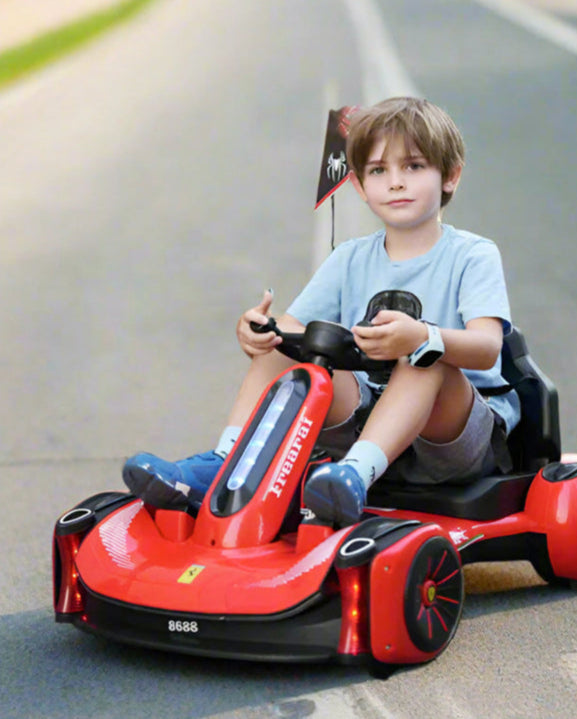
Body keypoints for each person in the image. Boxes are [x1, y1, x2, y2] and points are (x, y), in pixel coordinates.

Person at [123, 96, 521, 526]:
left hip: (452, 436)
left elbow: (487, 348)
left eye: (414, 167)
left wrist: (423, 337)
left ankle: (353, 477)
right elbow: (293, 330)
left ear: (451, 176)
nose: (396, 183)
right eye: (378, 171)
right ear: (359, 186)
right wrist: (259, 332)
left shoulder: (472, 255)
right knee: (280, 351)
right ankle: (225, 463)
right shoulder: (350, 257)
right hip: (367, 417)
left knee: (425, 359)